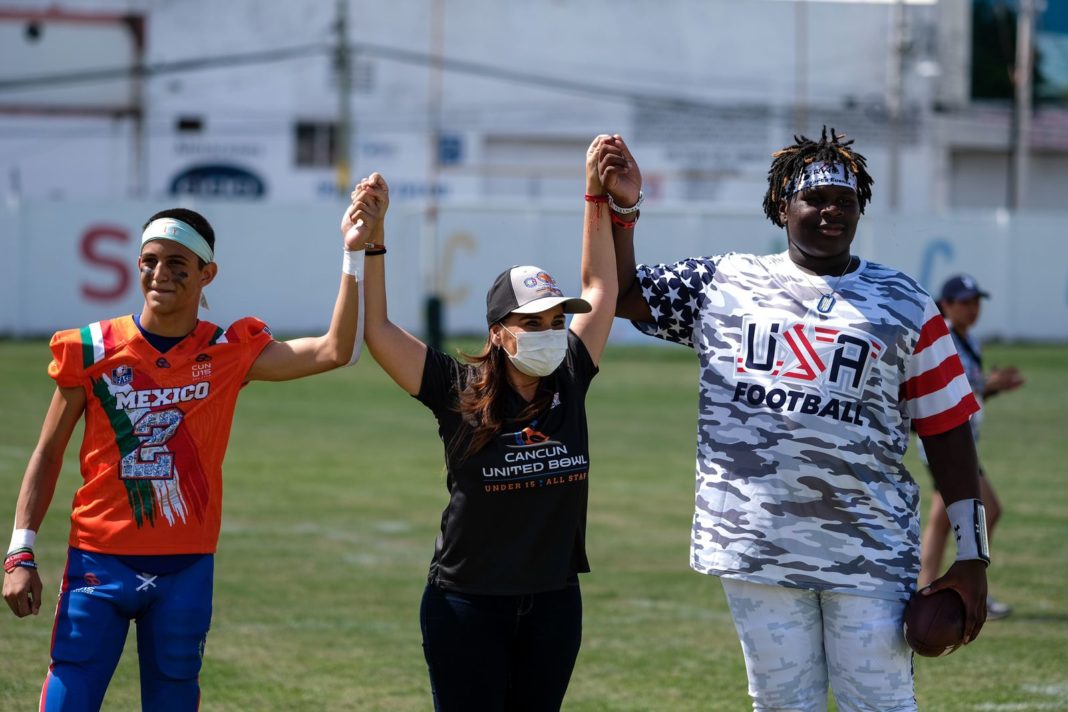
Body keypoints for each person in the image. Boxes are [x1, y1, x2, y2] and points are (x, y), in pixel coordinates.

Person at [604, 129, 989, 711]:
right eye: (816, 198)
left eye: (846, 199)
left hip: (869, 548)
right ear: (782, 205)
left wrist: (973, 555)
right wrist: (623, 207)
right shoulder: (726, 283)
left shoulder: (906, 302)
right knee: (782, 704)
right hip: (756, 544)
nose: (831, 210)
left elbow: (947, 431)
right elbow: (624, 292)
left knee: (881, 702)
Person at [2, 178, 381, 711]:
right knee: (72, 691)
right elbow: (47, 453)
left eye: (178, 263)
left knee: (175, 693)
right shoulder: (89, 349)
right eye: (150, 260)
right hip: (99, 559)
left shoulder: (228, 350)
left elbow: (336, 349)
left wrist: (353, 252)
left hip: (186, 564)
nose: (161, 274)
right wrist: (20, 548)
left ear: (207, 274)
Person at [357, 136, 619, 711]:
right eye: (533, 321)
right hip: (466, 605)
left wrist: (596, 194)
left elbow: (601, 287)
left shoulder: (571, 376)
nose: (551, 332)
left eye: (556, 320)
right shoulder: (458, 389)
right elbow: (376, 331)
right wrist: (373, 243)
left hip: (554, 603)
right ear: (499, 331)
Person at [918, 274, 1024, 620]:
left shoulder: (968, 340)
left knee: (942, 520)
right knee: (987, 509)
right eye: (965, 302)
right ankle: (967, 587)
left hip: (961, 443)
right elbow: (947, 386)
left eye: (976, 301)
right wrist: (987, 382)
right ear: (945, 305)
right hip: (944, 444)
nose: (973, 308)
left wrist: (993, 387)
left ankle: (926, 587)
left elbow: (971, 394)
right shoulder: (943, 336)